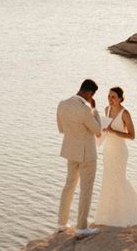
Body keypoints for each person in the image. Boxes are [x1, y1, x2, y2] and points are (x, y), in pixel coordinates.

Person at [94, 86, 137, 227]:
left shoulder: (125, 113)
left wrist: (113, 131)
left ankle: (125, 215)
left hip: (120, 151)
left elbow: (132, 135)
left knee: (119, 179)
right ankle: (108, 215)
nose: (110, 99)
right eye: (109, 96)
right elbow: (105, 130)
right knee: (108, 179)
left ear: (121, 98)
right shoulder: (106, 110)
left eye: (113, 97)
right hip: (108, 150)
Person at [56, 79, 101, 238]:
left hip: (70, 151)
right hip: (87, 154)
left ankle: (61, 223)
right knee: (86, 189)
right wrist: (94, 110)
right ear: (89, 93)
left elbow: (61, 129)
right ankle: (81, 227)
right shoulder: (85, 110)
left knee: (69, 185)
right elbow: (97, 130)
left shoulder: (62, 104)